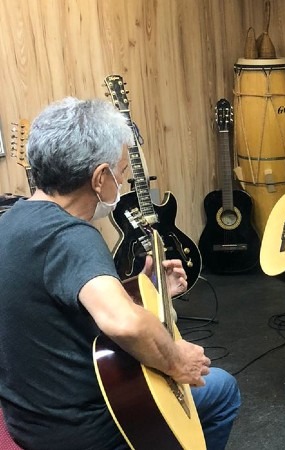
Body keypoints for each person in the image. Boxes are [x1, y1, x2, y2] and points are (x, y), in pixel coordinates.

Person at [0, 98, 240, 449]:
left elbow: (58, 310)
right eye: (122, 173)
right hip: (82, 429)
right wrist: (177, 362)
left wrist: (149, 293)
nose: (123, 182)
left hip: (27, 418)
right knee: (221, 389)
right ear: (99, 177)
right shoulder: (71, 236)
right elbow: (124, 324)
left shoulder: (12, 219)